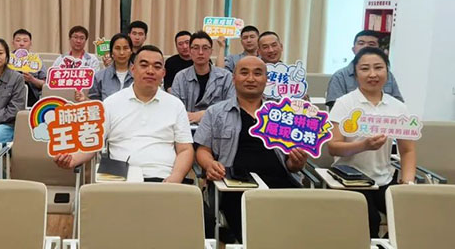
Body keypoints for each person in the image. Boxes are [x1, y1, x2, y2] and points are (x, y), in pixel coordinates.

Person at [195, 55, 308, 242]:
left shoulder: (282, 114)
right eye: (244, 73)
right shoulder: (216, 112)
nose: (250, 78)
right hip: (237, 188)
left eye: (257, 73)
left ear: (266, 79)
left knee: (301, 231)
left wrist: (296, 162)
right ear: (234, 78)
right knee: (259, 236)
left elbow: (291, 164)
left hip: (281, 185)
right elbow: (202, 149)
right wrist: (209, 164)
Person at [55, 45, 194, 183]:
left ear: (163, 73)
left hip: (164, 178)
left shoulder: (175, 105)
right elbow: (92, 144)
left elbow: (185, 150)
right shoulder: (111, 103)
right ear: (133, 69)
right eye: (144, 65)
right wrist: (72, 159)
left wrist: (176, 177)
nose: (150, 71)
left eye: (157, 67)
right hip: (120, 179)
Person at [327, 47, 416, 238]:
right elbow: (333, 147)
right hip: (351, 180)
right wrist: (363, 146)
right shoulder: (344, 103)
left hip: (385, 178)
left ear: (387, 71)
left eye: (378, 67)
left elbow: (407, 150)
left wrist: (407, 183)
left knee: (409, 216)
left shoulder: (398, 107)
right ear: (356, 73)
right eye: (365, 69)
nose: (372, 74)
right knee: (370, 221)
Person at [326, 30, 403, 108]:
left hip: (385, 115)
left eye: (371, 44)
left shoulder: (388, 75)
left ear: (379, 49)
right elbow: (336, 108)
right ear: (353, 49)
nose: (366, 47)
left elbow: (398, 104)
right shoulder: (340, 76)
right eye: (361, 43)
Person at [171, 31, 235, 124]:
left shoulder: (226, 77)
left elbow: (231, 107)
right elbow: (174, 108)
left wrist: (204, 114)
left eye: (205, 48)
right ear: (190, 51)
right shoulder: (180, 77)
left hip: (218, 127)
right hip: (187, 127)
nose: (200, 52)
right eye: (196, 48)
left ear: (211, 51)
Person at [76, 33, 133, 102]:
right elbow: (95, 103)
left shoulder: (139, 75)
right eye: (117, 48)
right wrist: (85, 99)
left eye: (125, 48)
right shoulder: (99, 77)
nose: (121, 52)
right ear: (111, 52)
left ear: (131, 51)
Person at [12, 28, 46, 107]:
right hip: (10, 98)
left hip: (33, 99)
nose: (21, 44)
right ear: (13, 43)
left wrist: (32, 79)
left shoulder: (36, 60)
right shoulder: (7, 59)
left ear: (30, 43)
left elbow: (45, 84)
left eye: (25, 41)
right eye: (18, 40)